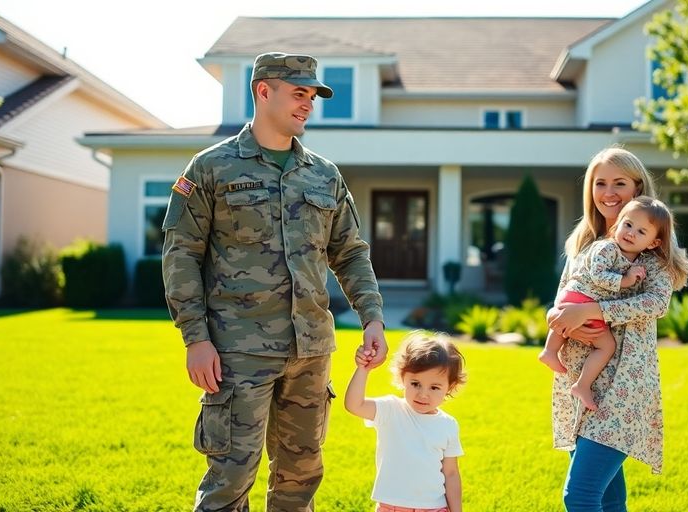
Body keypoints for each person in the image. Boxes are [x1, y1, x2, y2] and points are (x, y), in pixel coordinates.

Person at [161, 51, 387, 512]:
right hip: (237, 351)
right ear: (264, 91)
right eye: (298, 94)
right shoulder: (211, 168)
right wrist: (195, 338)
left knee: (300, 477)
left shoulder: (324, 174)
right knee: (230, 477)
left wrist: (373, 317)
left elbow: (349, 252)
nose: (308, 104)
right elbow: (181, 254)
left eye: (312, 96)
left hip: (311, 351)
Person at [545, 147, 688, 512]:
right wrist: (560, 315)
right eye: (600, 183)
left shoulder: (652, 246)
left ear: (638, 187)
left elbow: (655, 304)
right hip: (582, 381)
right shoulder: (583, 243)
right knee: (609, 498)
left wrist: (594, 310)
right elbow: (565, 296)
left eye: (619, 183)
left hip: (624, 383)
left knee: (580, 495)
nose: (608, 192)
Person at [539, 195, 685, 412]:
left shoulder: (640, 261)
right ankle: (577, 378)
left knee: (599, 342)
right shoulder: (606, 248)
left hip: (580, 300)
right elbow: (598, 275)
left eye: (641, 232)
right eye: (627, 225)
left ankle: (561, 362)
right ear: (618, 224)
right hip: (581, 297)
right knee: (607, 346)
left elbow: (657, 303)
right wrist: (626, 280)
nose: (630, 233)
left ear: (654, 243)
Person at [344, 331, 466, 512]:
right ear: (402, 378)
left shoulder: (448, 425)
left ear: (450, 387)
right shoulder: (390, 410)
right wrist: (364, 369)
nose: (423, 394)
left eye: (434, 387)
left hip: (434, 507)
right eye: (415, 384)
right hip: (391, 507)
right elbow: (354, 405)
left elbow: (451, 473)